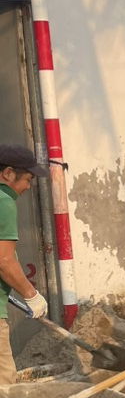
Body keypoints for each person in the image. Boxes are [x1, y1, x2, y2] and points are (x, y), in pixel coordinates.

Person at [0, 145, 49, 385]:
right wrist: (31, 295)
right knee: (5, 386)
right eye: (28, 179)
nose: (28, 187)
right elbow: (4, 260)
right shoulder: (4, 202)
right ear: (8, 173)